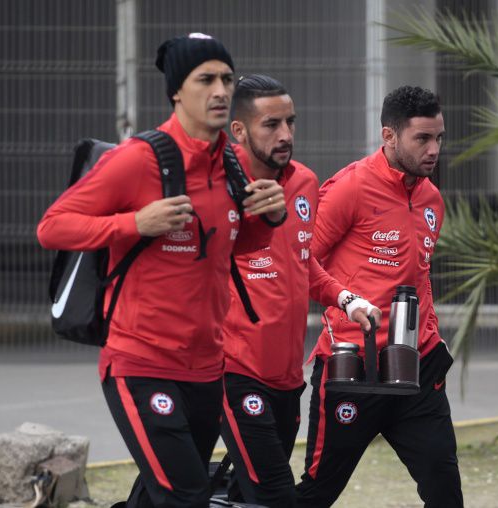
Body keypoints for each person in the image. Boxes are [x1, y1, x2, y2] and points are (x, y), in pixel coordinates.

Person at [37, 34, 287, 508]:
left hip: (207, 368)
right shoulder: (138, 159)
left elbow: (233, 246)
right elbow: (53, 227)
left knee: (160, 498)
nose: (220, 90)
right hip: (141, 361)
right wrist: (135, 222)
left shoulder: (230, 164)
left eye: (227, 79)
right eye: (205, 79)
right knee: (187, 497)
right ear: (177, 91)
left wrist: (268, 220)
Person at [295, 86, 464, 507]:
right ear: (389, 136)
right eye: (422, 138)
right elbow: (299, 266)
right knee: (317, 493)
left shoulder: (431, 200)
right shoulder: (349, 188)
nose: (433, 149)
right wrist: (348, 301)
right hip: (352, 367)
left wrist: (432, 337)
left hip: (418, 369)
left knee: (446, 494)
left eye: (439, 137)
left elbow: (419, 277)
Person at [219, 74, 380, 508]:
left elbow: (302, 262)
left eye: (290, 121)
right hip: (232, 370)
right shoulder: (217, 186)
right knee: (276, 494)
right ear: (240, 130)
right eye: (271, 124)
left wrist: (347, 299)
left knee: (236, 493)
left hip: (286, 378)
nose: (286, 134)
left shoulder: (305, 182)